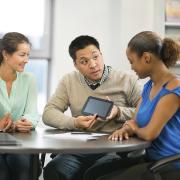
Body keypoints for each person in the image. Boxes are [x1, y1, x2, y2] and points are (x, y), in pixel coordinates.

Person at [42, 35, 142, 180]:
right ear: (75, 65)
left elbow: (146, 111)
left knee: (96, 173)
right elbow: (49, 113)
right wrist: (74, 122)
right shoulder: (69, 80)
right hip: (78, 148)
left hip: (114, 148)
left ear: (101, 54)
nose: (93, 64)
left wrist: (118, 111)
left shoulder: (127, 79)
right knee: (54, 170)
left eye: (96, 57)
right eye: (84, 61)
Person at [99, 31, 180, 180]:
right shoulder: (150, 85)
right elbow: (134, 120)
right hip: (152, 160)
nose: (131, 67)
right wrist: (126, 129)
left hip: (170, 165)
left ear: (146, 58)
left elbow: (150, 133)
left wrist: (134, 128)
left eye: (132, 61)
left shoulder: (173, 88)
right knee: (92, 173)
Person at [0, 32, 39, 180]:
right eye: (22, 55)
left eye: (28, 55)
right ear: (6, 54)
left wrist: (23, 122)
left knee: (21, 165)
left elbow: (32, 114)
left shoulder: (30, 79)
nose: (27, 60)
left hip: (20, 142)